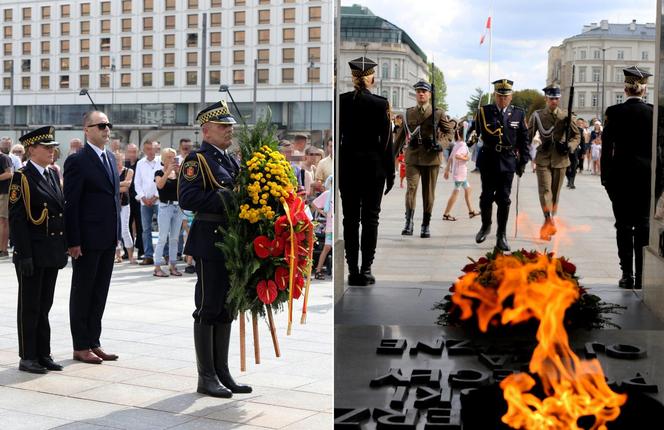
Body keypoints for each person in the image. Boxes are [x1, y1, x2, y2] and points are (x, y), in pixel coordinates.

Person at [178, 100, 251, 398]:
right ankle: (205, 376)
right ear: (206, 131)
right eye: (223, 126)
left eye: (230, 126)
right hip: (210, 240)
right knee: (208, 307)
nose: (229, 130)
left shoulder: (230, 160)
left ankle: (222, 372)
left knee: (226, 308)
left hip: (231, 241)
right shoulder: (198, 160)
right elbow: (188, 199)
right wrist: (230, 198)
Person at [9, 126, 68, 373]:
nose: (52, 151)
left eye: (53, 147)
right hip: (32, 252)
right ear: (32, 150)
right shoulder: (21, 177)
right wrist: (23, 254)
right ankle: (28, 356)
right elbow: (17, 219)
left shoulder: (52, 174)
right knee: (30, 306)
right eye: (47, 147)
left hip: (51, 251)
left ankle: (43, 353)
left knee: (45, 305)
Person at [64, 111, 120, 364]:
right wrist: (73, 241)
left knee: (100, 292)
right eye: (101, 125)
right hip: (86, 239)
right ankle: (80, 345)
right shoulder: (78, 160)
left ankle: (94, 341)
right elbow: (72, 203)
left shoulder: (110, 157)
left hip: (107, 237)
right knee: (83, 291)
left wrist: (117, 235)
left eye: (108, 125)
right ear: (87, 129)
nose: (106, 129)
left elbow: (113, 199)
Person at [339, 57, 394, 286]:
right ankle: (366, 269)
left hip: (348, 167)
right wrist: (390, 173)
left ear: (353, 78)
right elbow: (387, 142)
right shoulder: (381, 104)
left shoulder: (340, 101)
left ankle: (352, 271)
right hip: (373, 168)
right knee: (371, 219)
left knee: (350, 219)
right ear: (371, 78)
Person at [602, 66, 655, 290]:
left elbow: (606, 149)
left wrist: (606, 179)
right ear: (645, 89)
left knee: (623, 226)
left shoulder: (613, 112)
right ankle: (642, 275)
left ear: (625, 89)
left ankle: (626, 274)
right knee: (643, 226)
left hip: (620, 177)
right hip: (646, 177)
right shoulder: (654, 112)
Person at [472, 79, 530, 251]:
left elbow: (523, 139)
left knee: (504, 199)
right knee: (486, 196)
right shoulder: (484, 111)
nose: (502, 99)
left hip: (508, 159)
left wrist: (523, 161)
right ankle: (485, 225)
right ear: (495, 96)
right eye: (499, 96)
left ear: (511, 97)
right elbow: (475, 131)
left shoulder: (518, 114)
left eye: (506, 96)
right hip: (489, 158)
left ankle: (501, 235)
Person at [394, 80, 455, 238]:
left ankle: (425, 224)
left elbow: (449, 134)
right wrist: (389, 157)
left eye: (424, 91)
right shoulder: (408, 113)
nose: (421, 93)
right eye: (418, 91)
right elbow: (400, 138)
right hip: (413, 156)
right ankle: (409, 222)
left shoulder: (438, 113)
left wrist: (440, 145)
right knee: (411, 190)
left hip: (431, 157)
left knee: (428, 194)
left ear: (429, 94)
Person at [528, 85, 580, 241]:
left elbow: (576, 136)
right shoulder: (537, 116)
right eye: (551, 98)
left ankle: (548, 220)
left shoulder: (566, 116)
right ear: (546, 99)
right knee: (545, 190)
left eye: (556, 98)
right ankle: (548, 219)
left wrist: (569, 147)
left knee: (555, 194)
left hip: (560, 159)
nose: (554, 101)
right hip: (543, 157)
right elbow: (528, 135)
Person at [153, 148, 183, 277]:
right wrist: (168, 171)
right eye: (169, 157)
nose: (172, 160)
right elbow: (160, 185)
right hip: (165, 207)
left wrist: (177, 172)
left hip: (178, 208)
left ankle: (173, 265)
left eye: (174, 157)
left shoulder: (178, 173)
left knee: (175, 238)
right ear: (164, 159)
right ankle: (157, 266)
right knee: (162, 237)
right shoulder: (159, 172)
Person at [442, 128, 480, 221]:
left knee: (468, 189)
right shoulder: (462, 145)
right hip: (460, 173)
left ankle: (471, 211)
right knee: (456, 192)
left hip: (459, 172)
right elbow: (456, 156)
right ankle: (446, 214)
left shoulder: (457, 144)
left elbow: (451, 157)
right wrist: (466, 158)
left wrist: (447, 170)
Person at [134, 140, 160, 265]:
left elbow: (162, 181)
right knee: (146, 230)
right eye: (147, 149)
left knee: (163, 229)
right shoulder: (140, 163)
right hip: (144, 202)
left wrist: (155, 197)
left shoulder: (161, 162)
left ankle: (164, 255)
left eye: (152, 148)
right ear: (144, 150)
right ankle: (148, 255)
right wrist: (143, 198)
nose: (150, 151)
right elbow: (137, 183)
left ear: (156, 149)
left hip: (159, 201)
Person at [114, 151, 136, 264]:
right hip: (113, 204)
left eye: (119, 159)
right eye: (115, 159)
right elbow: (121, 186)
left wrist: (113, 185)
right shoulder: (111, 170)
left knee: (124, 230)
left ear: (122, 159)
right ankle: (118, 256)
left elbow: (127, 186)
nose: (117, 161)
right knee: (114, 229)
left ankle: (131, 255)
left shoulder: (129, 171)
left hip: (124, 203)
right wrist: (120, 184)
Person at [312, 175, 333, 280]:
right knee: (327, 247)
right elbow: (314, 203)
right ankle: (318, 270)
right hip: (330, 227)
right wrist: (323, 213)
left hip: (337, 226)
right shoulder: (327, 194)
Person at [124, 143, 143, 258]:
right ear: (126, 152)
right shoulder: (123, 164)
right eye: (130, 151)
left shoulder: (140, 164)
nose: (132, 154)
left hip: (138, 199)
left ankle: (141, 251)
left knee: (140, 225)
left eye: (134, 151)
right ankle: (127, 251)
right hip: (126, 199)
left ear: (138, 152)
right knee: (126, 225)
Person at [566, 118, 585, 189]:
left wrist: (583, 152)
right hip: (567, 150)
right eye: (578, 122)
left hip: (575, 150)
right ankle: (568, 179)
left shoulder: (580, 130)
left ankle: (572, 182)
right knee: (566, 167)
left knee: (574, 166)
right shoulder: (567, 128)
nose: (579, 124)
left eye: (581, 123)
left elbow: (582, 141)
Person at [0, 144, 12, 258]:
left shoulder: (4, 158)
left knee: (3, 221)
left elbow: (9, 173)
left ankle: (3, 249)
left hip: (4, 193)